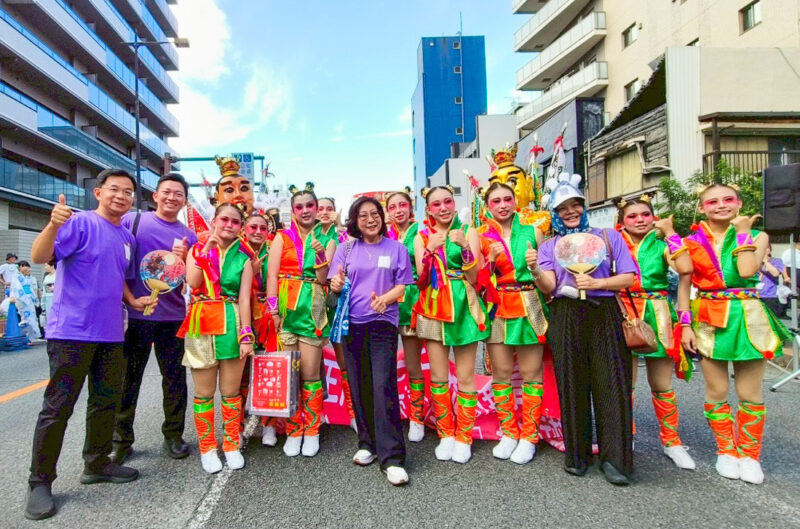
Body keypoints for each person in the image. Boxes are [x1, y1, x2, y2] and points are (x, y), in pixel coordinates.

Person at [25, 169, 148, 521]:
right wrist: (52, 225)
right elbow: (38, 256)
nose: (121, 196)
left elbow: (121, 279)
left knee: (105, 402)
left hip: (112, 333)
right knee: (58, 408)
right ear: (98, 192)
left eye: (128, 192)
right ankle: (39, 482)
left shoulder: (127, 236)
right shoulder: (78, 223)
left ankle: (96, 464)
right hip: (71, 332)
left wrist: (133, 301)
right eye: (114, 189)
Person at [682, 183, 790, 484]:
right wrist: (685, 324)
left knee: (749, 393)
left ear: (739, 203)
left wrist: (743, 231)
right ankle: (726, 450)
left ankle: (750, 455)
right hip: (707, 315)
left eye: (728, 199)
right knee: (716, 391)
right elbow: (684, 286)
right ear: (702, 208)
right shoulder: (691, 242)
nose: (721, 205)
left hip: (747, 315)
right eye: (712, 201)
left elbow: (745, 271)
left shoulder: (758, 235)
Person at [534, 173, 636, 486]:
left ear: (583, 206)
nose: (570, 212)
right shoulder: (550, 245)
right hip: (565, 313)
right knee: (571, 382)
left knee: (610, 383)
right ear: (554, 212)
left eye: (575, 205)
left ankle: (615, 460)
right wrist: (535, 270)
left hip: (603, 311)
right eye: (563, 207)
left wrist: (599, 283)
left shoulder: (607, 236)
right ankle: (576, 455)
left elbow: (629, 276)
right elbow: (550, 286)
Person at [111, 173, 198, 464]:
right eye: (167, 192)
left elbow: (192, 282)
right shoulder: (132, 221)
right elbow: (117, 263)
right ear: (155, 196)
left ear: (185, 201)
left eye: (179, 194)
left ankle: (173, 435)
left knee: (174, 379)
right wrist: (128, 298)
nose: (172, 197)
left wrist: (185, 258)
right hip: (135, 314)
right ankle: (121, 441)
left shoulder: (189, 235)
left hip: (173, 317)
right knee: (127, 379)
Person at [328, 196, 414, 485]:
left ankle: (392, 458)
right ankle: (367, 444)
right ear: (355, 221)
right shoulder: (346, 248)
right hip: (352, 325)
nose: (370, 219)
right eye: (363, 215)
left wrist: (386, 299)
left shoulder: (397, 248)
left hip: (382, 324)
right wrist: (336, 284)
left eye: (375, 214)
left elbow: (403, 285)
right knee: (359, 383)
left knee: (382, 385)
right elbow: (335, 283)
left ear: (382, 217)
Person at [614, 195, 696, 470]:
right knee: (626, 384)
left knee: (662, 384)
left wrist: (671, 232)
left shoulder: (661, 246)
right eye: (632, 216)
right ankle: (627, 436)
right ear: (622, 221)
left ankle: (671, 441)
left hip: (658, 312)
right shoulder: (613, 245)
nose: (639, 220)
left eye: (645, 215)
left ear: (653, 218)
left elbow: (685, 269)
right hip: (623, 312)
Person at [412, 185, 489, 464]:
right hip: (432, 306)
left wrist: (466, 248)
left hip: (464, 306)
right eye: (436, 204)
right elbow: (420, 279)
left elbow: (476, 277)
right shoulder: (422, 237)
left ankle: (464, 436)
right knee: (439, 376)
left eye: (448, 201)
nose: (443, 208)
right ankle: (446, 433)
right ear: (428, 209)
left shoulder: (469, 231)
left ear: (454, 204)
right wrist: (429, 252)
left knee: (467, 375)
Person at [178, 202, 254, 473]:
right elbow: (194, 282)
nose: (229, 225)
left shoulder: (244, 258)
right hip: (201, 321)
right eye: (224, 219)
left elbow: (245, 299)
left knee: (231, 391)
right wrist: (206, 251)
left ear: (240, 228)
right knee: (204, 392)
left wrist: (247, 335)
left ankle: (231, 443)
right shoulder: (197, 250)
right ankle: (208, 447)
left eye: (235, 222)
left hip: (232, 321)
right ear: (214, 221)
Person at [478, 182, 548, 464]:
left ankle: (529, 437)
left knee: (532, 373)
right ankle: (509, 432)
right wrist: (491, 261)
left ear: (516, 201)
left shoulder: (535, 231)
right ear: (488, 206)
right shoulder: (481, 236)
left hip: (530, 303)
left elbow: (547, 276)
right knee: (502, 373)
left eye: (508, 199)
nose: (503, 204)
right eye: (496, 201)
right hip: (497, 305)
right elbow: (476, 281)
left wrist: (535, 266)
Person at [266, 184, 335, 457]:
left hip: (313, 308)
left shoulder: (328, 239)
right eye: (300, 206)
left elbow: (323, 280)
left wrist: (319, 255)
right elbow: (272, 276)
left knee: (310, 374)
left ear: (317, 208)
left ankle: (312, 430)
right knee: (289, 374)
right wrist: (273, 310)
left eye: (310, 205)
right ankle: (294, 429)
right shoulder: (281, 238)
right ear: (293, 210)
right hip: (285, 310)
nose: (305, 210)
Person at [385, 191, 425, 443]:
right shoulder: (382, 236)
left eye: (403, 205)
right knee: (385, 365)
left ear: (410, 208)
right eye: (393, 206)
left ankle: (417, 417)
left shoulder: (420, 234)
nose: (398, 210)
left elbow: (422, 273)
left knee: (413, 365)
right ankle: (389, 416)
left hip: (412, 303)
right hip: (386, 305)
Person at [316, 196, 357, 432]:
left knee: (345, 361)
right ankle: (314, 413)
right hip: (310, 305)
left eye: (329, 209)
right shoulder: (306, 237)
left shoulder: (343, 237)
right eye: (319, 208)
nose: (324, 212)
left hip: (340, 304)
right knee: (311, 362)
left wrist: (342, 228)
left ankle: (354, 413)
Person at [239, 212, 279, 446]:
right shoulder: (235, 251)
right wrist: (250, 273)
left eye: (262, 228)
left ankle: (269, 426)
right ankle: (238, 427)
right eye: (252, 227)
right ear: (244, 228)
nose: (257, 231)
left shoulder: (274, 249)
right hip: (243, 318)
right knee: (242, 374)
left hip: (269, 318)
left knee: (269, 372)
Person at [11, 260, 41, 342]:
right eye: (24, 266)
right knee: (25, 318)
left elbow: (32, 289)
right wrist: (23, 297)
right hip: (21, 299)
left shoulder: (29, 278)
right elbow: (16, 289)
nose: (26, 268)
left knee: (32, 318)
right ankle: (23, 336)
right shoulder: (16, 277)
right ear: (19, 267)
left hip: (29, 298)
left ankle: (31, 337)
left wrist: (35, 300)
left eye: (27, 266)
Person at [759, 248, 786, 318]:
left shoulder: (776, 261)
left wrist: (766, 262)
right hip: (755, 294)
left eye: (766, 247)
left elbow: (775, 273)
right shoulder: (755, 261)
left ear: (770, 249)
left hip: (769, 295)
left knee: (771, 319)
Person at [40, 262, 56, 331]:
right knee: (48, 317)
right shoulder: (46, 277)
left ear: (52, 266)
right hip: (47, 299)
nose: (45, 267)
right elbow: (44, 291)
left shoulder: (58, 275)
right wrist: (42, 303)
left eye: (46, 265)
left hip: (56, 298)